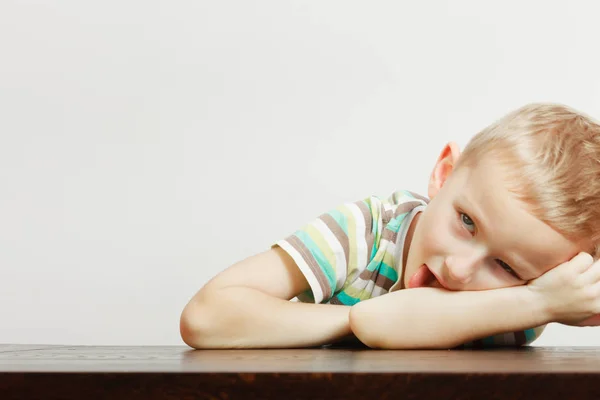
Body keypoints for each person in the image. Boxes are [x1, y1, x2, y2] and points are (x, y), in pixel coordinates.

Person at [180, 103, 600, 349]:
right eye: (466, 221)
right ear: (444, 173)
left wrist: (548, 301)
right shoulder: (366, 234)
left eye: (507, 267)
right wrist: (359, 320)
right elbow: (205, 316)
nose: (459, 269)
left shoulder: (532, 297)